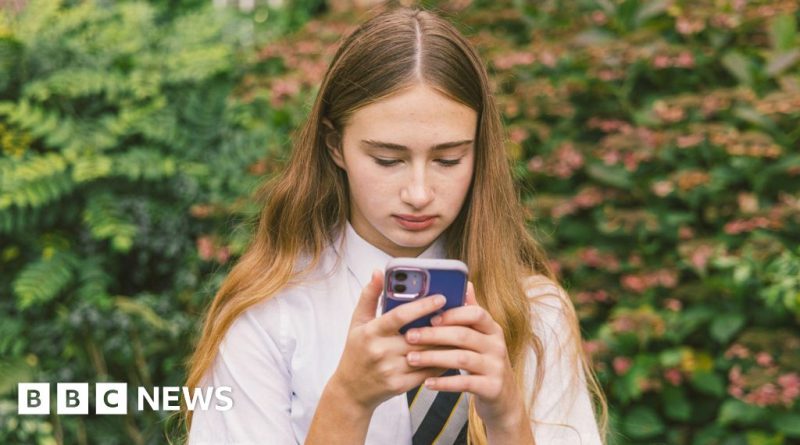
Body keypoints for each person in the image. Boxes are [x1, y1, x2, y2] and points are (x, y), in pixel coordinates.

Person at [182, 4, 607, 445]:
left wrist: (507, 419)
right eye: (387, 159)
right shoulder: (269, 313)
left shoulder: (537, 312)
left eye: (448, 159)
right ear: (335, 146)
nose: (419, 193)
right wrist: (348, 400)